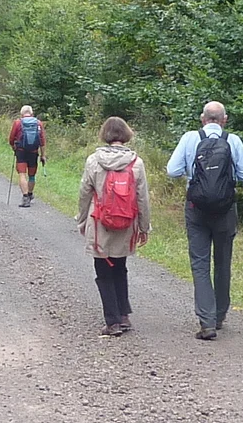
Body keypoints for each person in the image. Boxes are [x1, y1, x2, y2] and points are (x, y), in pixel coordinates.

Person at [167, 101, 243, 340]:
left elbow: (172, 170)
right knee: (223, 261)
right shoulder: (232, 140)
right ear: (224, 119)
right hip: (225, 210)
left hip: (196, 208)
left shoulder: (189, 138)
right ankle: (219, 314)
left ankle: (207, 322)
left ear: (202, 119)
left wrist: (194, 176)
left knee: (200, 263)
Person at [77, 117, 151, 336]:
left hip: (99, 222)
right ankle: (124, 316)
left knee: (103, 271)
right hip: (126, 223)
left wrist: (81, 220)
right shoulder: (136, 162)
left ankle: (112, 322)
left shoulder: (93, 160)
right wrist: (144, 227)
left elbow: (84, 193)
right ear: (126, 134)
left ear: (105, 134)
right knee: (120, 267)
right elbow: (142, 198)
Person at [9, 105, 47, 208]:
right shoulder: (38, 123)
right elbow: (42, 141)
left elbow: (11, 138)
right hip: (34, 152)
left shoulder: (18, 123)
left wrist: (13, 147)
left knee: (22, 174)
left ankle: (25, 197)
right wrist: (43, 155)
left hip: (21, 151)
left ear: (22, 114)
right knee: (31, 175)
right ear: (32, 113)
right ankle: (30, 194)